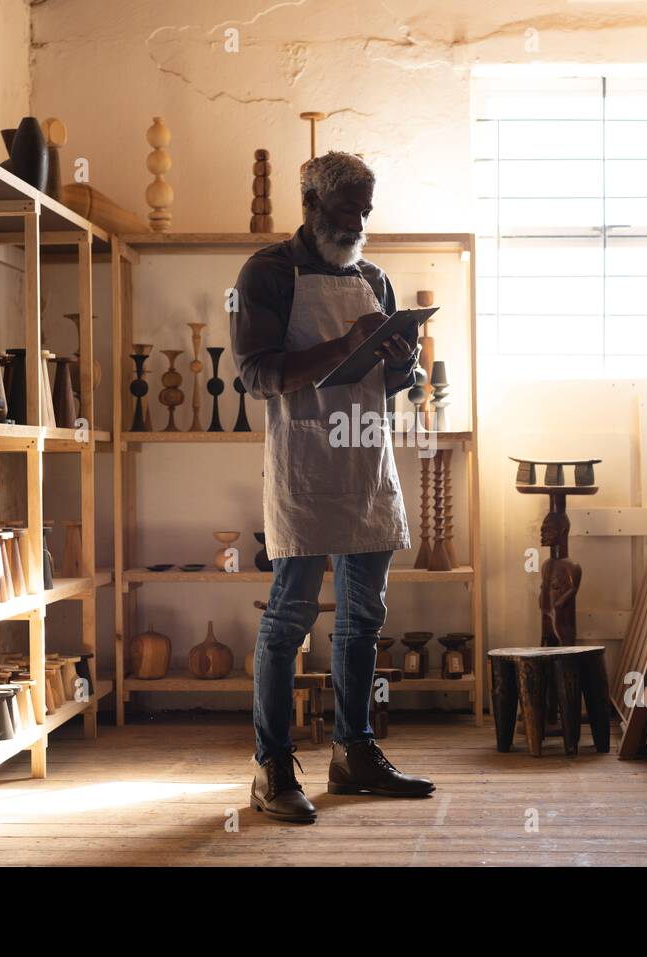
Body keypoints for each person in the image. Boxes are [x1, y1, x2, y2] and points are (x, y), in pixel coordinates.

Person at [230, 151, 436, 824]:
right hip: (305, 464)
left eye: (366, 211)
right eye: (347, 210)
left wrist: (401, 364)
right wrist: (345, 343)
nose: (359, 223)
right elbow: (259, 374)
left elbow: (388, 385)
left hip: (366, 464)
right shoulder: (267, 273)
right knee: (289, 617)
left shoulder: (374, 276)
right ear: (312, 203)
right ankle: (273, 766)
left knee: (364, 617)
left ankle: (355, 753)